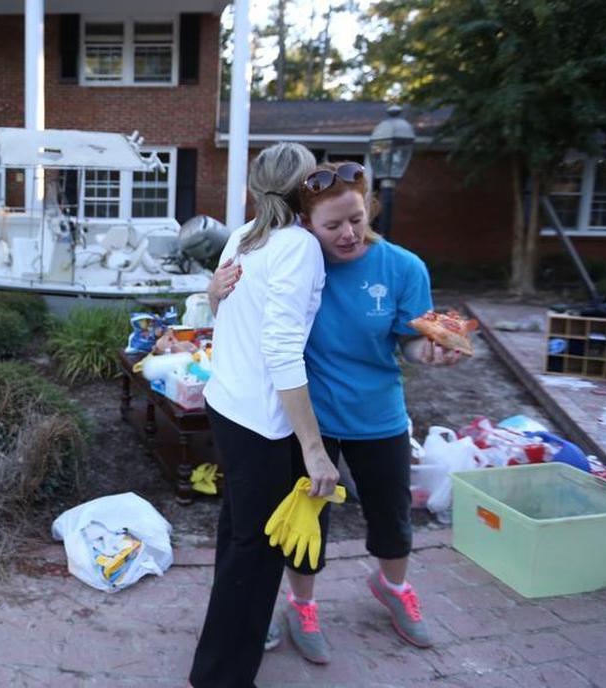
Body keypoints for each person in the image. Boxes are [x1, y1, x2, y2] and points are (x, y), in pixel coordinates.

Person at [209, 160, 461, 666]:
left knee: (392, 515)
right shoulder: (299, 260)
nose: (347, 233)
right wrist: (214, 291)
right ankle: (302, 606)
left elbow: (410, 342)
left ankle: (394, 587)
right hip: (312, 419)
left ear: (369, 208)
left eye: (357, 218)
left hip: (379, 413)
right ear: (305, 222)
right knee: (308, 525)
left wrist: (428, 353)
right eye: (332, 225)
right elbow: (257, 318)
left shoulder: (403, 267)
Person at [188, 142, 340, 688]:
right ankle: (221, 677)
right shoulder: (296, 245)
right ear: (305, 189)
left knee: (238, 541)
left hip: (229, 407)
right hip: (259, 422)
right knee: (255, 556)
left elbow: (226, 311)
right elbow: (281, 349)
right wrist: (314, 447)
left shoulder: (243, 236)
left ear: (256, 190)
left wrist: (211, 291)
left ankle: (217, 662)